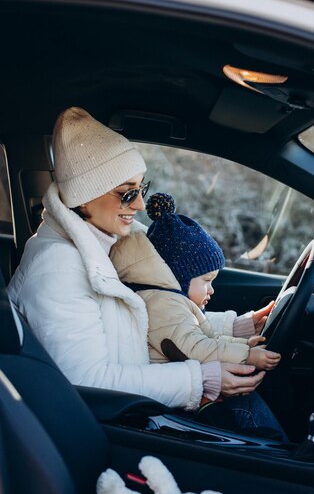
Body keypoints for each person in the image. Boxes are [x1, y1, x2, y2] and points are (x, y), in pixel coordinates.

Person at [7, 106, 283, 430]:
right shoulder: (58, 269)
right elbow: (87, 383)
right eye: (127, 194)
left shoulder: (111, 244)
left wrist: (235, 327)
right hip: (115, 430)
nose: (139, 205)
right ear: (85, 197)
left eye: (141, 189)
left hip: (136, 411)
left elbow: (157, 314)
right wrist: (201, 380)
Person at [109, 192, 284, 432]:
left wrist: (241, 342)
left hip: (188, 388)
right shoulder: (164, 304)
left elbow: (204, 337)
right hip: (177, 404)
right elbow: (195, 347)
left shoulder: (171, 299)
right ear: (179, 276)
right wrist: (246, 355)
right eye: (206, 280)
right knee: (248, 407)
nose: (211, 289)